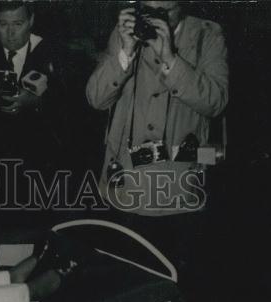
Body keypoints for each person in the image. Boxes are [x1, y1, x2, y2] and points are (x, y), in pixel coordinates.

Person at [85, 1, 227, 219]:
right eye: (147, 10)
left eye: (163, 12)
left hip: (177, 189)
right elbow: (96, 98)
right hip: (124, 184)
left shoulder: (206, 35)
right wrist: (125, 53)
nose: (153, 19)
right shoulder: (125, 31)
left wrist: (171, 59)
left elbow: (216, 102)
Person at [0, 2, 68, 177]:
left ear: (31, 20)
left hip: (40, 165)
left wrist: (37, 101)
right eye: (3, 24)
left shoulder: (54, 53)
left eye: (18, 24)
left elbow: (71, 106)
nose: (10, 34)